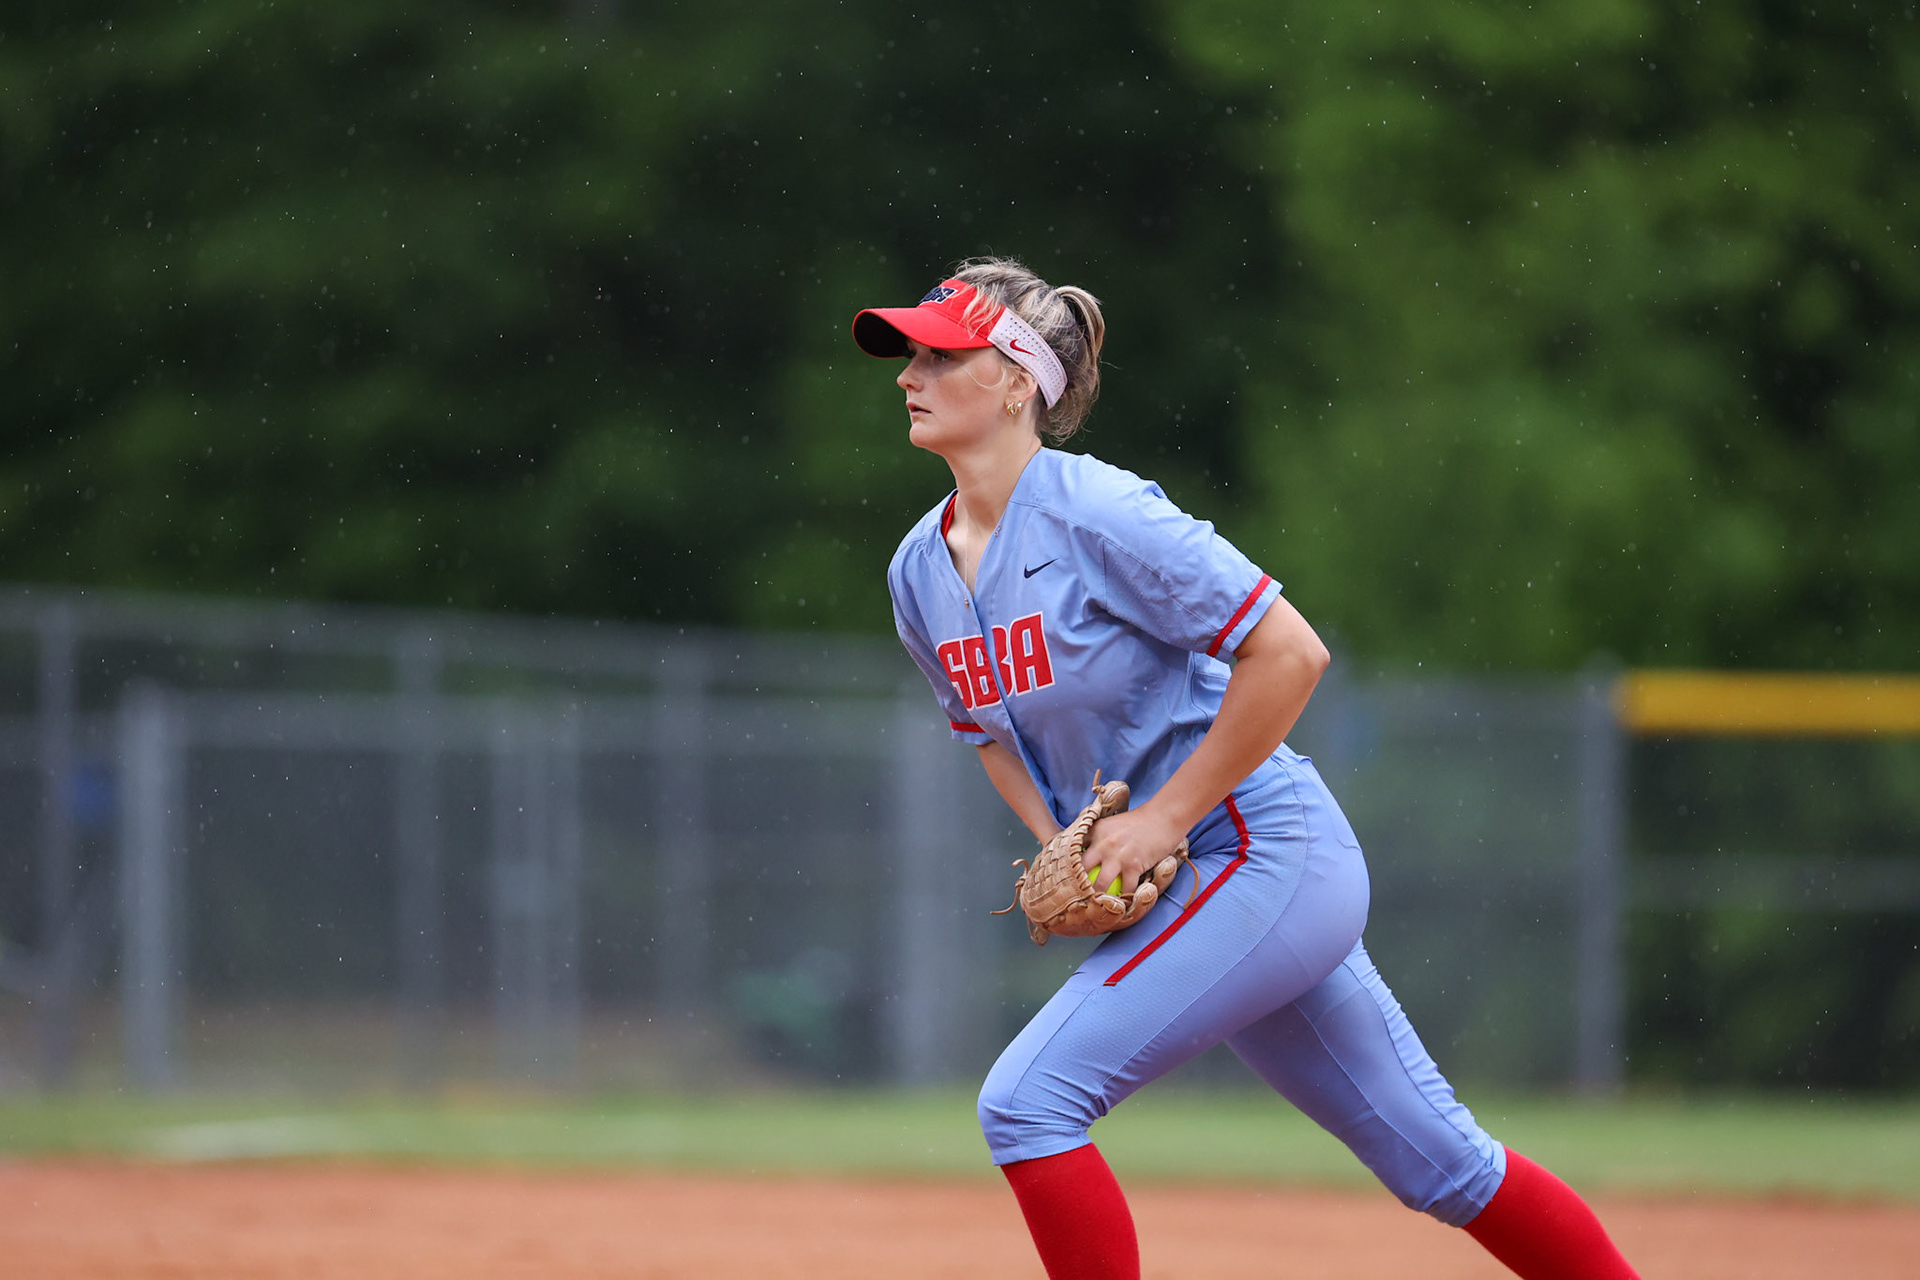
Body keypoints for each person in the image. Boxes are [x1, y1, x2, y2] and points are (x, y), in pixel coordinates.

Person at [852, 257, 1641, 1280]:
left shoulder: (1102, 513)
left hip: (1265, 847)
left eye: (939, 353)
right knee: (1443, 1161)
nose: (909, 372)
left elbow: (1291, 652)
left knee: (1028, 1100)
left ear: (1013, 380)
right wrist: (1067, 848)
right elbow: (988, 733)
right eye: (908, 352)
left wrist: (1164, 817)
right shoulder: (920, 567)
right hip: (1188, 876)